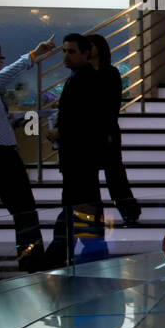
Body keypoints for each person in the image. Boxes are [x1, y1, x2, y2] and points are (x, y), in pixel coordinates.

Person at [0, 38, 55, 280]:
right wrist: (32, 56)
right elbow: (1, 77)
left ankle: (30, 259)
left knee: (20, 210)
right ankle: (29, 260)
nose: (1, 62)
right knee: (20, 210)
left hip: (0, 154)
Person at [44, 34, 107, 266]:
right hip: (75, 158)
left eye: (71, 51)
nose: (66, 56)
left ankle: (73, 252)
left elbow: (87, 120)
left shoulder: (87, 79)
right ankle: (76, 251)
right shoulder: (77, 78)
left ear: (85, 53)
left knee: (81, 204)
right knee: (78, 204)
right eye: (64, 51)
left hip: (81, 157)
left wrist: (61, 133)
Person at [87, 34, 141, 225]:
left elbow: (111, 105)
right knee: (95, 177)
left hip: (107, 130)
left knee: (114, 174)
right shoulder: (84, 74)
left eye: (90, 46)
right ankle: (94, 215)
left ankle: (129, 210)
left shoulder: (109, 73)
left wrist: (108, 131)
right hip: (90, 132)